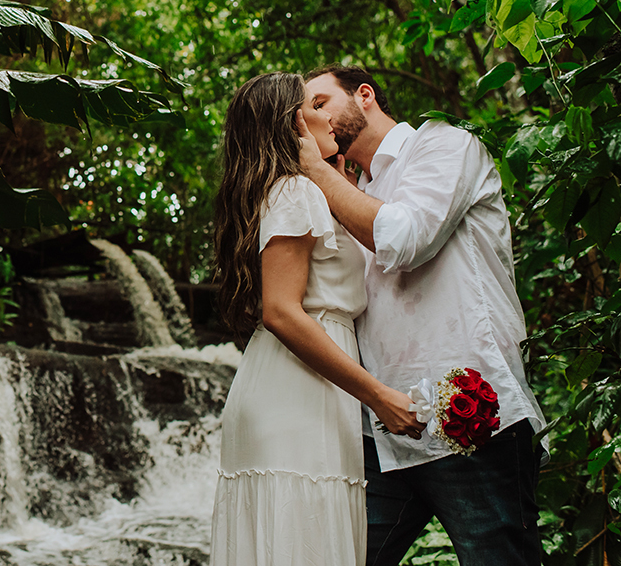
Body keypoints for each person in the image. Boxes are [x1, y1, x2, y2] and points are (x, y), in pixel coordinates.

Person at [296, 64, 548, 566]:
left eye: (320, 103)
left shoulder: (443, 145)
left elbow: (406, 238)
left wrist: (317, 172)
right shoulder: (347, 188)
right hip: (384, 430)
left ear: (364, 95)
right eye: (304, 116)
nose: (312, 121)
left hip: (473, 421)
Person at [209, 72, 425, 566]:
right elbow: (282, 311)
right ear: (293, 126)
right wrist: (378, 395)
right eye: (313, 107)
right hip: (298, 387)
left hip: (302, 379)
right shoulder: (295, 193)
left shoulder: (301, 191)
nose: (329, 117)